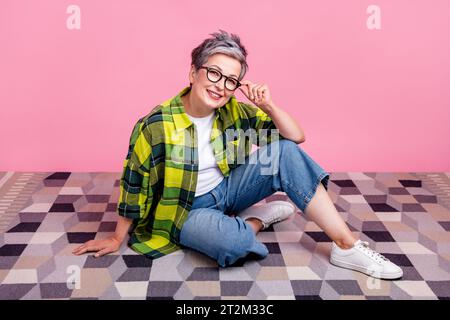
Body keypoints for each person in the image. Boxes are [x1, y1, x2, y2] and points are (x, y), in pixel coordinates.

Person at [73, 30, 403, 279]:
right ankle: (257, 220)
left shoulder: (233, 111)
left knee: (284, 152)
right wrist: (119, 236)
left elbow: (295, 138)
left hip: (228, 190)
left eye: (231, 80)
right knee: (232, 248)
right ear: (193, 73)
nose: (220, 85)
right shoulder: (155, 125)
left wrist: (268, 105)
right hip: (186, 211)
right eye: (213, 73)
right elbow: (134, 183)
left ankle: (346, 246)